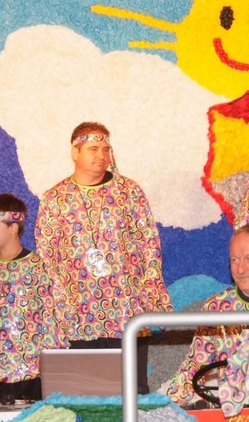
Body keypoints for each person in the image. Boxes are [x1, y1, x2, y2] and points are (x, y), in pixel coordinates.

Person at [35, 121, 172, 393]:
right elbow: (46, 255)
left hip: (126, 309)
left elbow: (149, 243)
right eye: (93, 149)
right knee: (84, 394)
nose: (101, 155)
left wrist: (148, 290)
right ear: (75, 152)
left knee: (132, 391)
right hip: (77, 313)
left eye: (106, 149)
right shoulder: (55, 199)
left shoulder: (129, 192)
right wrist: (59, 301)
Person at [166, 224, 249, 416]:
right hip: (229, 415)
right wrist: (167, 409)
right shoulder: (217, 307)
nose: (241, 268)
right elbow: (193, 367)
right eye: (234, 260)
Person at [0, 194, 72, 406]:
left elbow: (51, 315)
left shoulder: (37, 266)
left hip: (30, 369)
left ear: (13, 227)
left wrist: (48, 357)